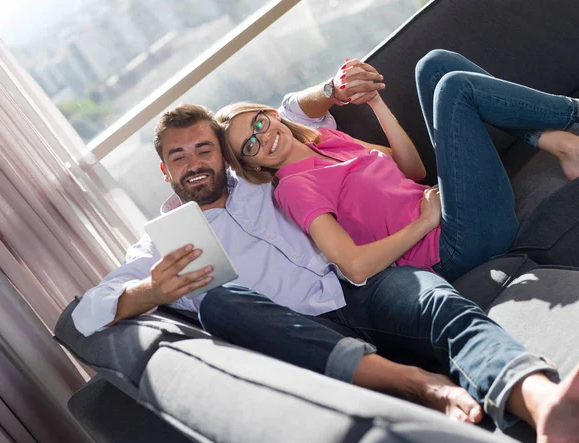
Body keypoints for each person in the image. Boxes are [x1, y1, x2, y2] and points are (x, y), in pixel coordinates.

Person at [71, 64, 579, 443]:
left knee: (439, 302)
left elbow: (290, 113)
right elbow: (83, 315)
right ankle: (417, 382)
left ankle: (540, 401)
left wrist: (335, 89)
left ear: (223, 156)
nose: (194, 164)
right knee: (219, 299)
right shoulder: (163, 240)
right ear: (165, 172)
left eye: (203, 149)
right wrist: (153, 292)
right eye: (178, 157)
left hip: (362, 286)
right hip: (303, 333)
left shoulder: (257, 178)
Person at [216, 50, 579, 284]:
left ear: (269, 114)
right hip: (452, 248)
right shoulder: (294, 188)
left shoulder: (323, 140)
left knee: (434, 66)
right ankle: (572, 115)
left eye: (259, 123)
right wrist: (425, 221)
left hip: (453, 212)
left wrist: (375, 103)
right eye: (250, 145)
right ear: (252, 165)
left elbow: (412, 169)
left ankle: (560, 143)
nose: (263, 138)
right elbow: (354, 266)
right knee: (454, 88)